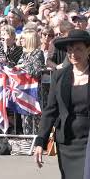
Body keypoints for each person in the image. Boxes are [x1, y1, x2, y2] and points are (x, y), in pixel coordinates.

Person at [34, 29, 90, 179]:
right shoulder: (60, 76)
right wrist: (40, 141)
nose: (73, 54)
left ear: (88, 49)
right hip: (66, 142)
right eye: (70, 50)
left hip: (87, 142)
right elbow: (50, 111)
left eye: (78, 49)